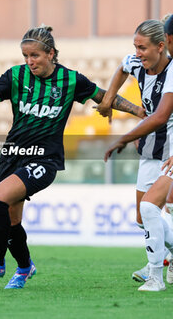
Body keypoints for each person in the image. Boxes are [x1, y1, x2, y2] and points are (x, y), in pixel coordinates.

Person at [0, 25, 144, 289]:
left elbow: (106, 98)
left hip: (44, 159)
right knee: (13, 222)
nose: (30, 61)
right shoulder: (15, 76)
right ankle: (25, 268)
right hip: (13, 156)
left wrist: (139, 111)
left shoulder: (71, 80)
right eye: (26, 55)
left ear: (50, 53)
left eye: (35, 55)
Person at [104, 16, 173, 291]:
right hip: (149, 150)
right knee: (143, 217)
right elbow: (122, 68)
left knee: (155, 208)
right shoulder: (136, 63)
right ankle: (161, 258)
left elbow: (160, 116)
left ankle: (156, 272)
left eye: (142, 48)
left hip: (169, 148)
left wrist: (127, 136)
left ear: (160, 46)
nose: (137, 53)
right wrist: (109, 98)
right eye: (135, 46)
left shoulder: (171, 71)